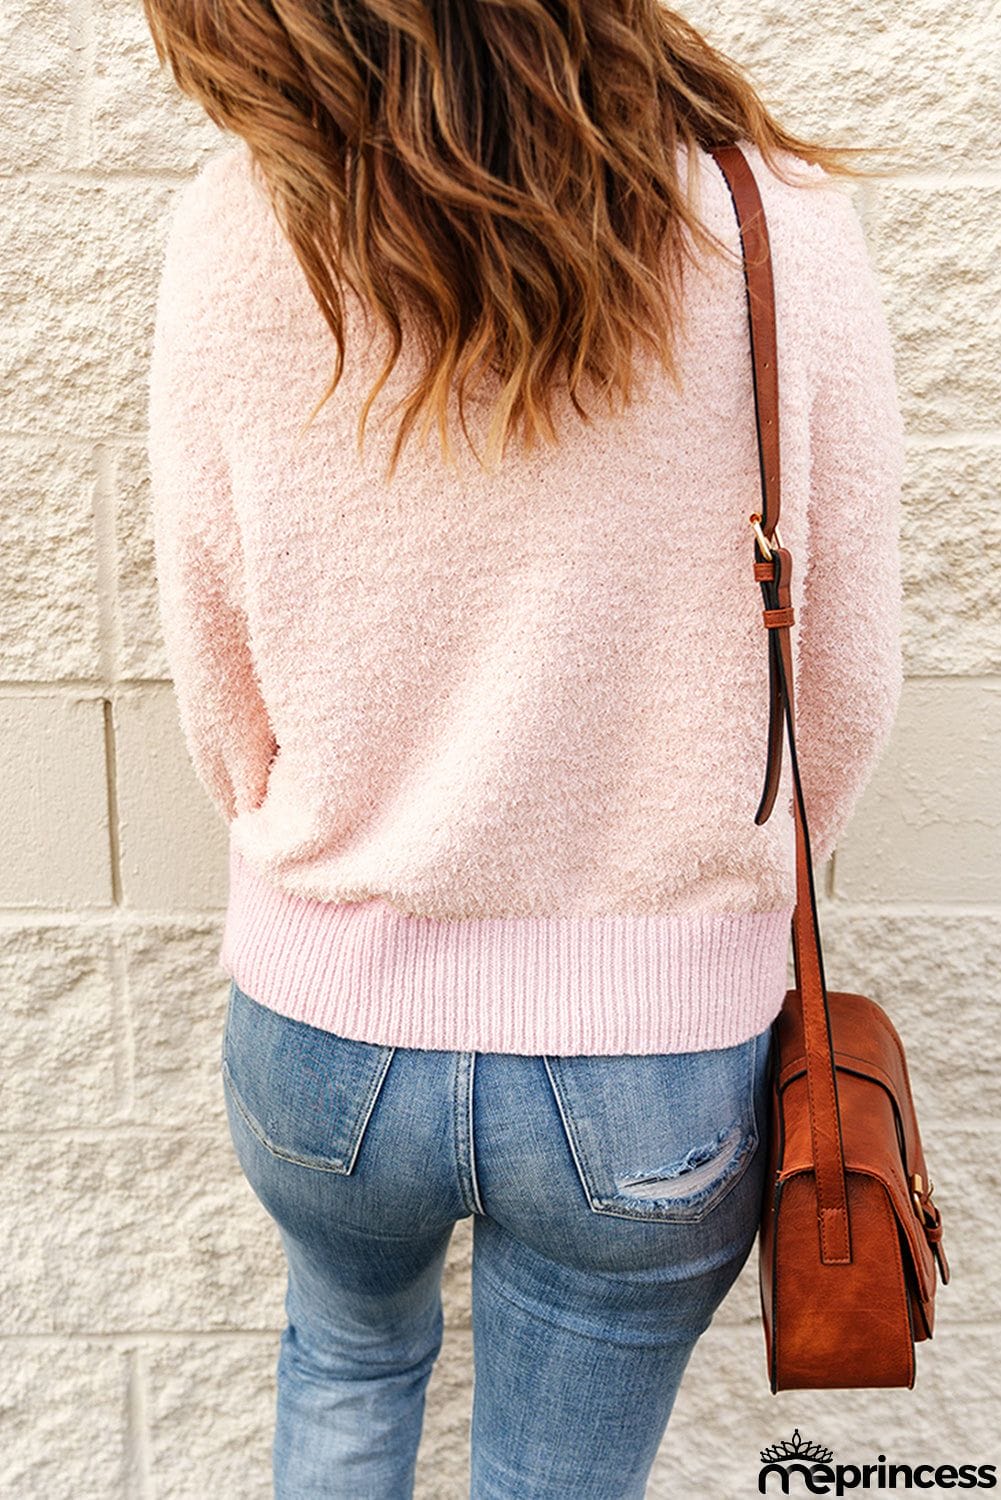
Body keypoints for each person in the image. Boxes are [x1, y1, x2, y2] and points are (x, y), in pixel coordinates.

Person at [142, 2, 904, 1496]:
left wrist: (328, 856)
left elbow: (211, 641)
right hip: (651, 1056)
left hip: (322, 1029)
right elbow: (841, 682)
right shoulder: (773, 221)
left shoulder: (241, 220)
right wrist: (716, 876)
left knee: (346, 1366)